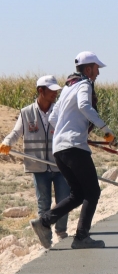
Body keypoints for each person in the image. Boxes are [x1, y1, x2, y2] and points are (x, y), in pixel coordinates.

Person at [29, 52, 116, 249]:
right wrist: (105, 130)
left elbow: (52, 119)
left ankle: (43, 222)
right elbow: (85, 105)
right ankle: (81, 237)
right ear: (88, 69)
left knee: (78, 194)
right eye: (96, 69)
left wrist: (70, 130)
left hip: (60, 150)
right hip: (75, 147)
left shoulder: (69, 88)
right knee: (92, 192)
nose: (97, 74)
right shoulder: (84, 85)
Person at [0, 76, 71, 241]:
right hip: (38, 166)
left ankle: (62, 233)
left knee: (64, 201)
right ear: (41, 90)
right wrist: (6, 142)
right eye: (51, 90)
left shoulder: (59, 111)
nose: (55, 93)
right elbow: (16, 132)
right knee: (43, 203)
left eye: (56, 90)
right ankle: (45, 235)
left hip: (59, 164)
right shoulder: (26, 113)